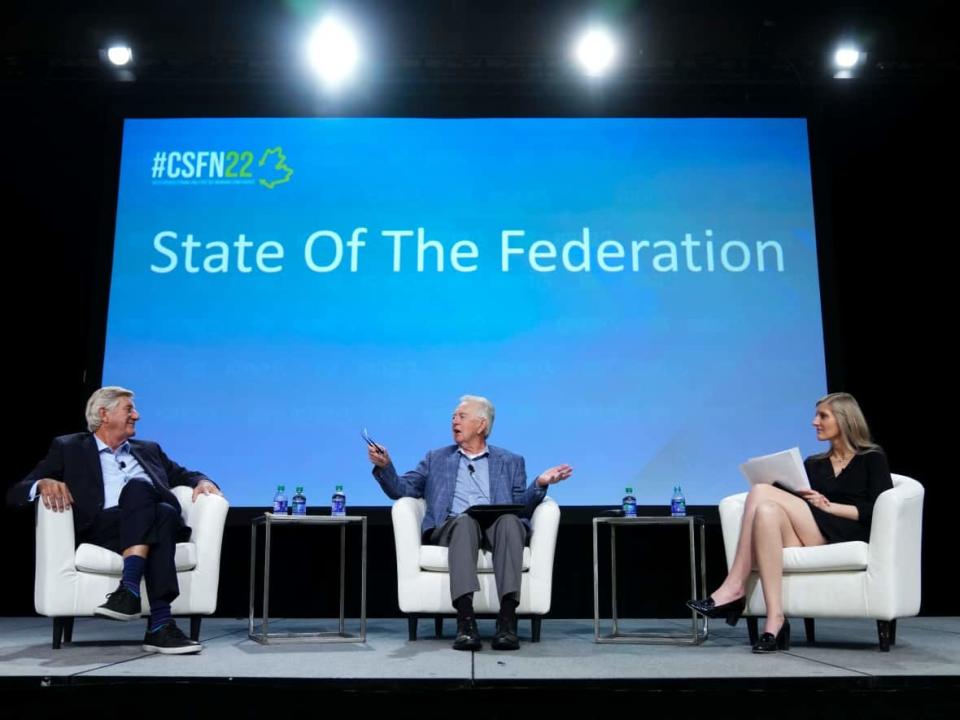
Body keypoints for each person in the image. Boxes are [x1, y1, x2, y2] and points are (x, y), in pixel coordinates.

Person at [6, 386, 223, 655]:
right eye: (129, 409)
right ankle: (160, 626)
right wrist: (42, 483)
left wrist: (202, 481)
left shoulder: (149, 449)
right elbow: (15, 492)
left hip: (150, 521)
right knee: (155, 505)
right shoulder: (69, 447)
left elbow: (184, 474)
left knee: (151, 500)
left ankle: (128, 590)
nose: (138, 416)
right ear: (104, 414)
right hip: (103, 527)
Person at [687, 392, 893, 653]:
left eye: (823, 416)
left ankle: (734, 585)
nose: (814, 422)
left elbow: (878, 509)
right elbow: (800, 505)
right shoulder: (815, 464)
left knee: (761, 490)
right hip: (809, 531)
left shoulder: (872, 458)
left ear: (845, 420)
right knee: (767, 511)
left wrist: (830, 506)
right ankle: (775, 621)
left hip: (842, 533)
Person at [367, 394, 572, 651]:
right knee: (465, 522)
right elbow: (402, 489)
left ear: (481, 425)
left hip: (498, 524)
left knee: (510, 521)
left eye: (462, 416)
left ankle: (507, 622)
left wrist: (541, 483)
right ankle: (465, 622)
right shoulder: (436, 458)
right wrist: (386, 466)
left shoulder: (511, 461)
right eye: (453, 416)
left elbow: (524, 506)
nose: (454, 420)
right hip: (454, 525)